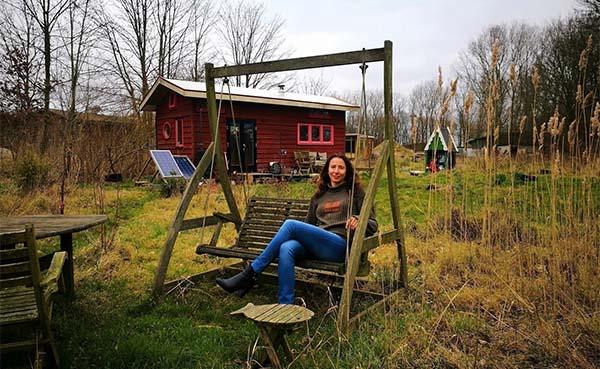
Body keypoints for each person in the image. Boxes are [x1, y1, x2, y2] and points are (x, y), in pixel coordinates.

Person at [215, 153, 378, 304]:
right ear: (327, 170)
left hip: (339, 246)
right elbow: (307, 226)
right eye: (333, 167)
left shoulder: (356, 193)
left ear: (347, 171)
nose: (336, 171)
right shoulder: (318, 197)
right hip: (317, 246)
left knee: (291, 225)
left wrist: (358, 219)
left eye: (341, 167)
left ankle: (249, 274)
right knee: (286, 248)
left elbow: (373, 225)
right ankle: (286, 306)